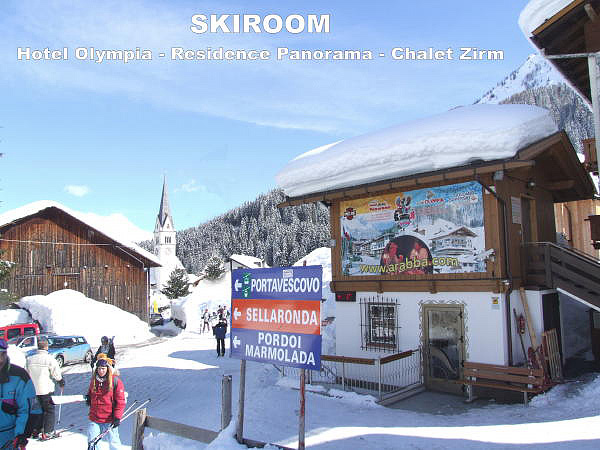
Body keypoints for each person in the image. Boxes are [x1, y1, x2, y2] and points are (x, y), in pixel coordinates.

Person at [0, 338, 38, 449]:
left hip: (9, 439)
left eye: (3, 354)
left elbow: (30, 409)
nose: (0, 360)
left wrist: (22, 434)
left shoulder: (19, 376)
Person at [25, 338, 64, 440]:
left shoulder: (29, 359)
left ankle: (35, 430)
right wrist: (61, 381)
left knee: (36, 410)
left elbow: (26, 373)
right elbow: (56, 373)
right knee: (49, 410)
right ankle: (48, 432)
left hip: (33, 390)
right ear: (46, 347)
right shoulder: (49, 359)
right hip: (46, 390)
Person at [85, 358, 125, 450]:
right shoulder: (94, 380)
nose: (101, 371)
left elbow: (120, 401)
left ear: (108, 368)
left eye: (103, 368)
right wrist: (89, 398)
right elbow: (90, 393)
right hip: (95, 418)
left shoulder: (115, 381)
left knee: (114, 442)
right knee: (92, 442)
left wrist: (117, 417)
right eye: (99, 368)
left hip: (110, 418)